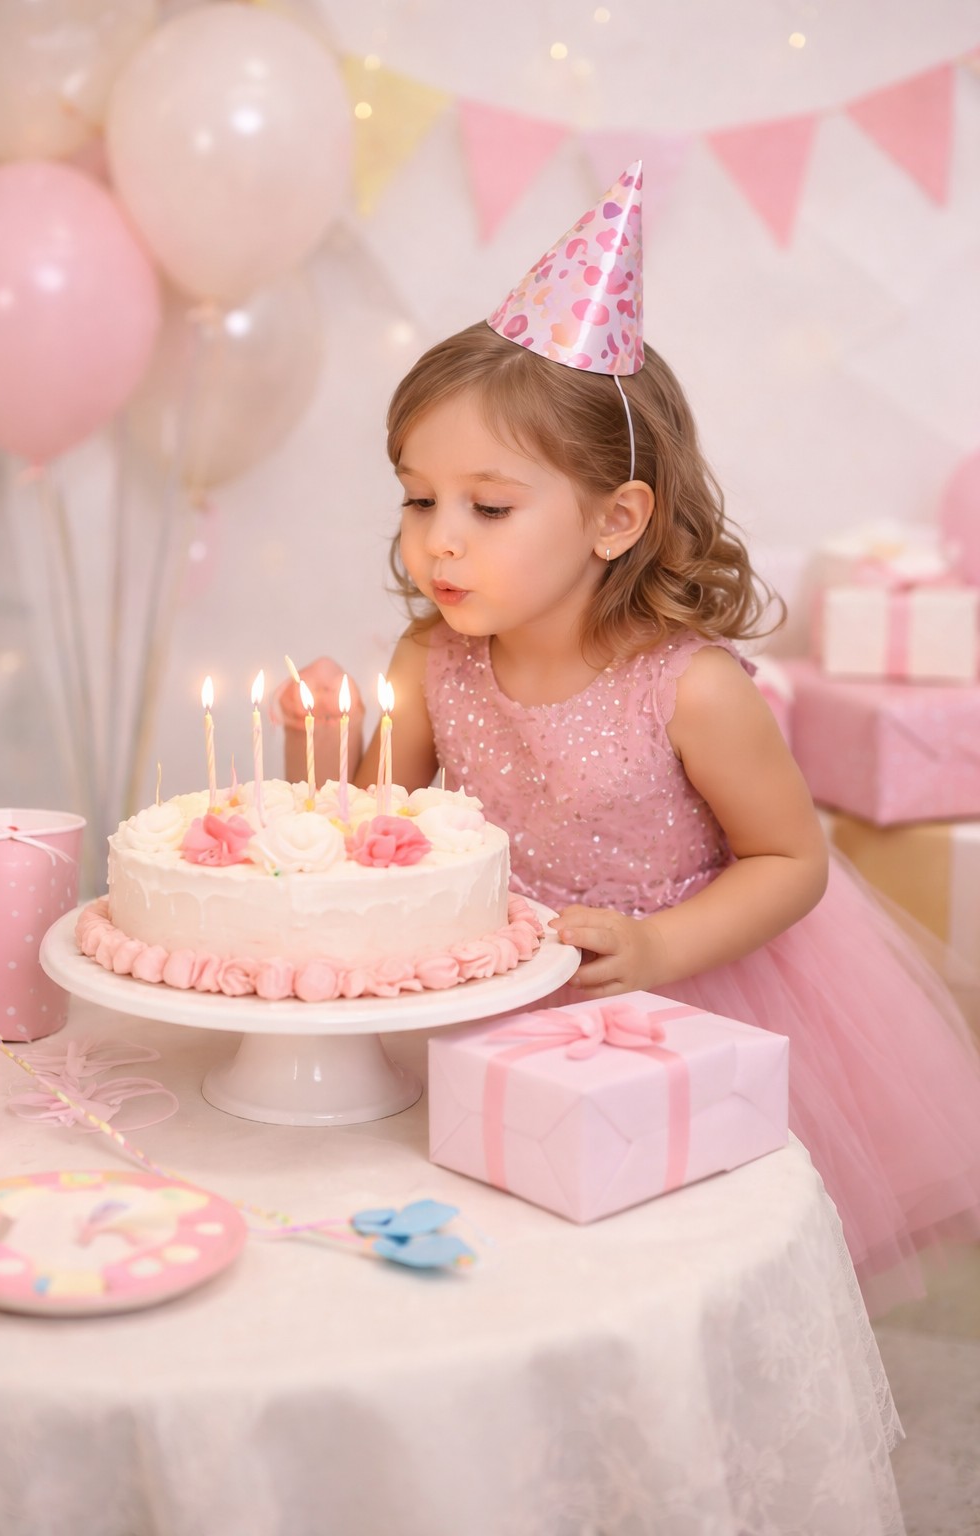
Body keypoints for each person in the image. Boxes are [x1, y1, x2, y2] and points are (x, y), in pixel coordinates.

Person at [285, 164, 980, 1315]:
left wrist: (659, 953)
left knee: (665, 1270)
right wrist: (322, 745)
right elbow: (376, 842)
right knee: (493, 1244)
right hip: (491, 993)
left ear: (615, 518)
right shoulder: (429, 665)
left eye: (487, 507)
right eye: (418, 499)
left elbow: (790, 862)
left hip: (680, 996)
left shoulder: (691, 690)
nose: (437, 544)